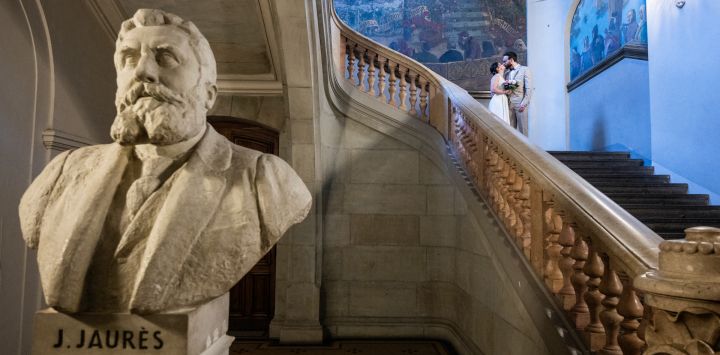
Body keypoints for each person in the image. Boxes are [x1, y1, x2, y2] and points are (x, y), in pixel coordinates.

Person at [18, 9, 312, 314]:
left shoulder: (265, 182)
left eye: (166, 58)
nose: (142, 71)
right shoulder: (62, 172)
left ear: (209, 95)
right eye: (129, 58)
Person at [503, 51, 532, 136]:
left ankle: (525, 149)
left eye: (505, 61)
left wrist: (524, 104)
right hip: (509, 104)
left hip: (520, 104)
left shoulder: (524, 69)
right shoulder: (506, 73)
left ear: (511, 60)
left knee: (523, 130)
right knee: (510, 131)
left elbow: (529, 88)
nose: (503, 63)